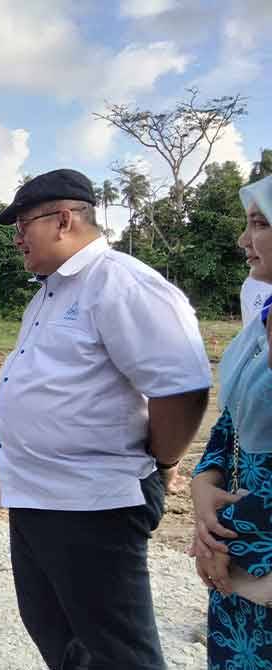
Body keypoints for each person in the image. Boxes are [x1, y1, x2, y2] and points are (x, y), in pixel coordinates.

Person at [0, 169, 211, 670]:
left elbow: (181, 386)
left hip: (93, 503)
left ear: (64, 219)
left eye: (24, 224)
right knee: (57, 634)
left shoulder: (120, 282)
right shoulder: (50, 292)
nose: (18, 237)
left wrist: (163, 460)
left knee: (118, 651)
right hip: (38, 499)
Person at [190, 175, 272, 666]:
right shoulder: (255, 328)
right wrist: (204, 491)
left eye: (259, 224)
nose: (243, 240)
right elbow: (228, 428)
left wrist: (227, 535)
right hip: (238, 556)